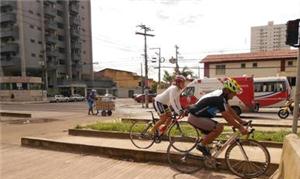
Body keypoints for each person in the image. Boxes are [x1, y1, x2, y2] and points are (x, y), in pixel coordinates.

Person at [187, 78, 248, 156]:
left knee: (212, 135)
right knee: (219, 127)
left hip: (199, 116)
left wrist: (241, 121)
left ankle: (207, 157)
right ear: (227, 91)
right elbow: (227, 116)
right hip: (195, 117)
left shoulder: (222, 96)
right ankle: (201, 145)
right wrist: (240, 127)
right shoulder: (219, 99)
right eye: (233, 93)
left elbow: (229, 110)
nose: (234, 95)